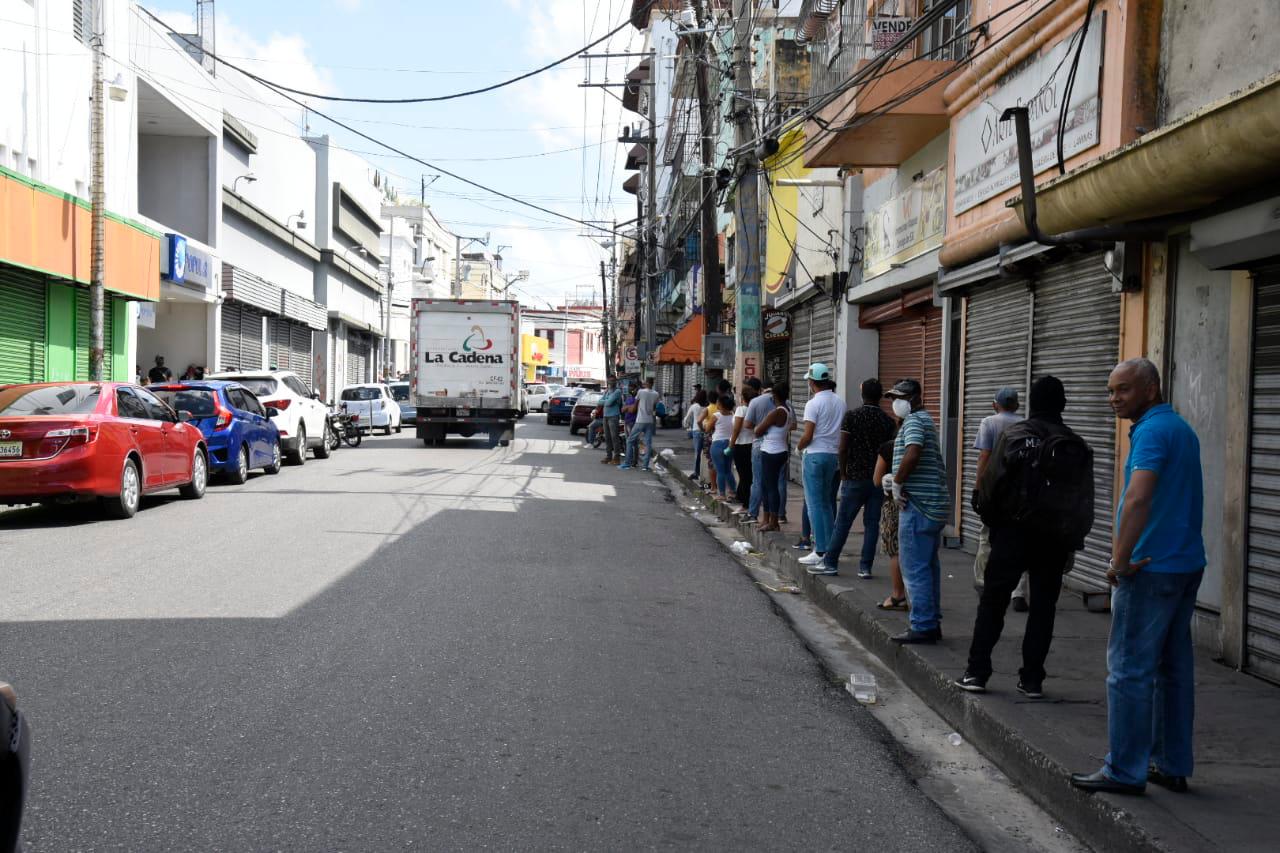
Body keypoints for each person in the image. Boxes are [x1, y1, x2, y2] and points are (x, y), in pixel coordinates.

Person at [1072, 358, 1205, 796]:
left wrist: (1118, 561)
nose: (1113, 399)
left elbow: (1138, 498)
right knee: (1172, 669)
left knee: (1128, 671)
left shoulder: (1150, 432)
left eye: (1123, 390)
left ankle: (1124, 770)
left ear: (1150, 389)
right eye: (1111, 391)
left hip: (1149, 569)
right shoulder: (1181, 429)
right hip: (1185, 565)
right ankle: (1171, 764)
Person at [956, 376, 1092, 698]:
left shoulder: (1015, 436)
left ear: (1031, 402)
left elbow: (990, 485)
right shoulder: (1075, 444)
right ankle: (1032, 679)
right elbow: (1086, 498)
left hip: (1012, 534)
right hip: (1055, 539)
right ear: (1063, 405)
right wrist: (1073, 539)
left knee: (993, 602)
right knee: (1044, 609)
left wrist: (994, 523)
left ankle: (977, 671)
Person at [883, 379, 950, 644]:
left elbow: (913, 453)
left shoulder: (914, 422)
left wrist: (898, 481)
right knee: (928, 567)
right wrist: (896, 477)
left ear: (913, 398)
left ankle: (922, 625)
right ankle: (930, 621)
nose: (895, 403)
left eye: (899, 398)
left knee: (915, 568)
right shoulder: (923, 420)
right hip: (932, 504)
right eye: (892, 398)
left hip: (919, 505)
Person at [812, 379, 897, 578]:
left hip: (854, 477)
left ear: (862, 394)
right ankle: (865, 567)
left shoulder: (852, 416)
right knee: (872, 523)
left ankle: (831, 562)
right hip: (877, 479)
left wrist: (843, 472)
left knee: (843, 522)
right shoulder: (888, 421)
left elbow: (842, 447)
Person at [974, 386, 1030, 610]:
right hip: (1020, 493)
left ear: (995, 404)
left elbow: (984, 457)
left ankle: (983, 584)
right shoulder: (1026, 424)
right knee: (1022, 540)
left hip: (995, 490)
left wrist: (978, 489)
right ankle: (1019, 593)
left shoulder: (989, 422)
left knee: (987, 538)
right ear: (1016, 404)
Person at [797, 364, 848, 568]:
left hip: (815, 456)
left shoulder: (813, 404)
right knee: (827, 503)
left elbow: (808, 435)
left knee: (814, 505)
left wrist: (798, 447)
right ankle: (828, 548)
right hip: (833, 456)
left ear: (812, 382)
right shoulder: (840, 402)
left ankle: (819, 550)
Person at [873, 438, 908, 612]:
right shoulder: (921, 445)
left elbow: (877, 480)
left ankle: (898, 595)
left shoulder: (889, 447)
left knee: (894, 550)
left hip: (893, 503)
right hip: (915, 502)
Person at [754, 382, 792, 532]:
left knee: (770, 487)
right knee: (768, 485)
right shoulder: (787, 410)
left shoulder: (776, 412)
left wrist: (762, 428)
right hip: (780, 450)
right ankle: (768, 519)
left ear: (774, 396)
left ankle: (773, 521)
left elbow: (758, 430)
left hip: (771, 452)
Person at [621, 378, 660, 471]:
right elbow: (654, 407)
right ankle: (645, 466)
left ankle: (627, 463)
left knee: (630, 440)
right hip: (650, 421)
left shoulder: (641, 392)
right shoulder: (656, 394)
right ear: (652, 383)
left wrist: (627, 408)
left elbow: (634, 407)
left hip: (640, 420)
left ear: (646, 383)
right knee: (648, 443)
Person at [730, 383, 758, 508]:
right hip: (751, 444)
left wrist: (731, 444)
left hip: (741, 445)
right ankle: (741, 497)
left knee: (743, 474)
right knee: (748, 474)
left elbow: (736, 429)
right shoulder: (756, 409)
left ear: (743, 398)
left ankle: (745, 502)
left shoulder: (741, 410)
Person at [708, 392, 737, 498]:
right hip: (729, 444)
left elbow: (707, 429)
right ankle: (733, 491)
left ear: (721, 404)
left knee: (720, 470)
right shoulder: (733, 415)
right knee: (728, 470)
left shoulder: (716, 415)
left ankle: (722, 494)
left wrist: (705, 425)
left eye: (718, 402)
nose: (716, 404)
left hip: (717, 444)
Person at [683, 390, 709, 480]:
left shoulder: (694, 406)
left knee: (697, 453)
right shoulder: (707, 406)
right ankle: (704, 472)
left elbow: (686, 418)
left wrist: (686, 426)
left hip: (696, 431)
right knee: (705, 453)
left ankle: (696, 472)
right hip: (706, 431)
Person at [599, 380, 624, 465]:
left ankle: (616, 457)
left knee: (614, 437)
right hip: (605, 416)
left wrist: (605, 401)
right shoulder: (607, 391)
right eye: (610, 379)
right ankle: (608, 456)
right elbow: (599, 402)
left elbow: (609, 403)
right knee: (607, 437)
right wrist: (606, 400)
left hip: (613, 416)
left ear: (615, 382)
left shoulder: (617, 391)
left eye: (612, 379)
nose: (610, 382)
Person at [702, 390, 720, 491]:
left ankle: (713, 486)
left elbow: (699, 420)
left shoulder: (707, 409)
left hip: (710, 436)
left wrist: (702, 429)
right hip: (721, 436)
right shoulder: (721, 408)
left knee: (711, 462)